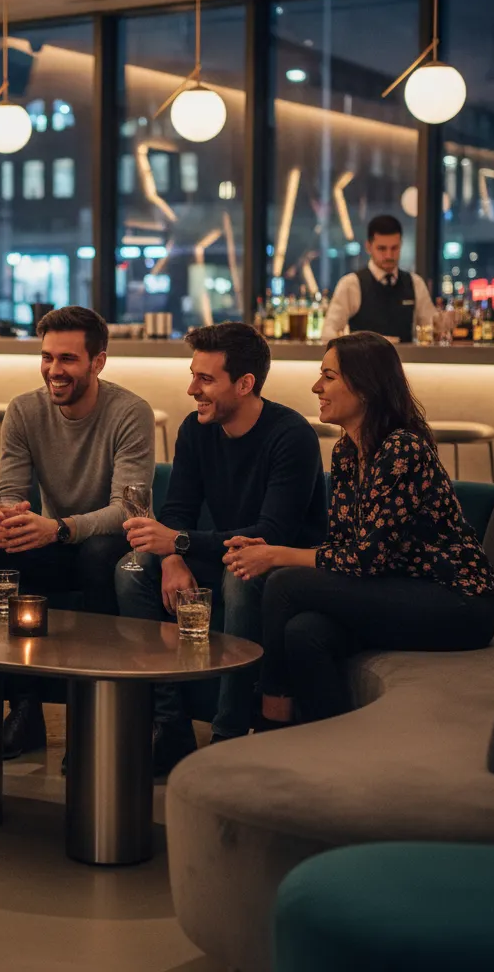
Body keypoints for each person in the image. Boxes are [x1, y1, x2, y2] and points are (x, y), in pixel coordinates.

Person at [226, 331, 494, 726]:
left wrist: (277, 555)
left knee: (284, 582)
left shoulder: (402, 449)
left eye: (329, 377)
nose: (316, 386)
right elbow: (342, 546)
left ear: (366, 387)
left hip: (457, 602)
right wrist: (270, 551)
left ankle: (270, 717)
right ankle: (334, 744)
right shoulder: (348, 452)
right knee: (305, 631)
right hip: (396, 587)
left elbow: (366, 558)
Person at [115, 322, 326, 775]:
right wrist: (171, 557)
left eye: (205, 379)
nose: (192, 389)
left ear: (245, 384)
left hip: (283, 570)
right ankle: (169, 726)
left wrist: (180, 542)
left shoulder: (292, 436)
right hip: (218, 554)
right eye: (194, 375)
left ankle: (227, 737)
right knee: (131, 570)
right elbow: (178, 510)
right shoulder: (195, 429)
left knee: (240, 573)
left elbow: (270, 534)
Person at [0, 306, 156, 759]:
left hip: (105, 542)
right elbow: (7, 490)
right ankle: (24, 707)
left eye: (68, 359)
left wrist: (59, 529)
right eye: (47, 357)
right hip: (56, 539)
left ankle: (91, 717)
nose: (54, 370)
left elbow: (129, 510)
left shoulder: (130, 412)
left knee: (97, 554)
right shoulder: (23, 410)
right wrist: (6, 516)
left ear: (98, 362)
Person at [321, 214, 434, 343]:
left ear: (401, 245)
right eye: (382, 248)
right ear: (368, 247)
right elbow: (328, 334)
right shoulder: (351, 284)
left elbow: (431, 327)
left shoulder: (415, 283)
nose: (388, 255)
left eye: (394, 248)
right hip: (362, 362)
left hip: (404, 362)